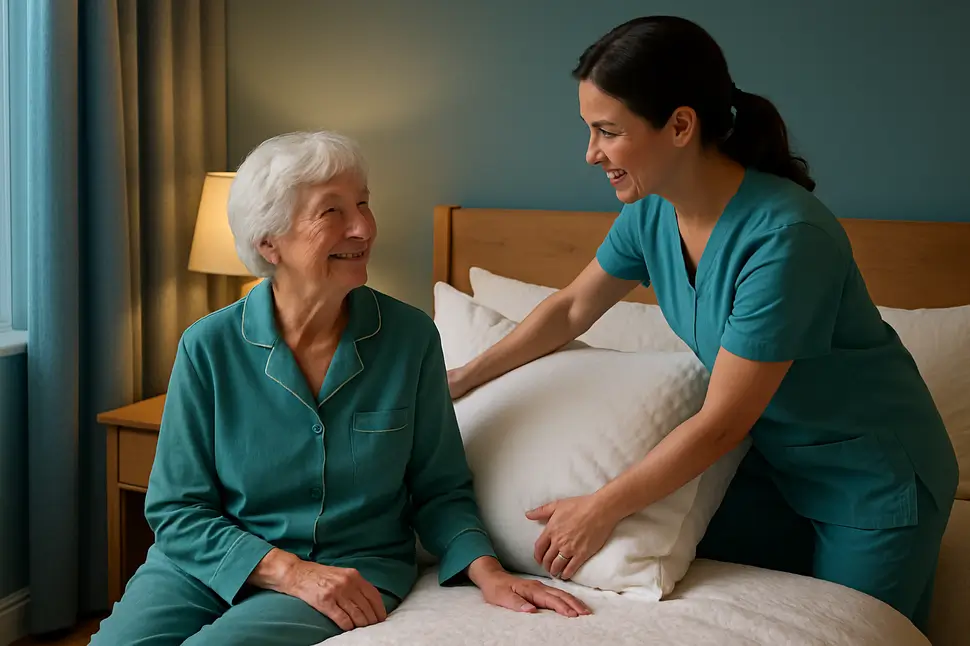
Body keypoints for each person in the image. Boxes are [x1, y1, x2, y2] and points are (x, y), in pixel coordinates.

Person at [447, 16, 957, 634]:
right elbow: (571, 309)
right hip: (769, 469)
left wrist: (600, 509)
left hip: (872, 480)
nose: (591, 152)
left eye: (608, 131)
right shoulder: (651, 213)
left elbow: (721, 422)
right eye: (590, 129)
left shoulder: (786, 239)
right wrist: (465, 377)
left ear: (681, 126)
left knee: (854, 633)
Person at [91, 131, 590, 645]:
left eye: (363, 204)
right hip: (210, 563)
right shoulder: (208, 346)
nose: (363, 228)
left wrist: (490, 573)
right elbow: (177, 509)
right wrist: (287, 570)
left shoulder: (410, 338)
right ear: (269, 242)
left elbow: (439, 488)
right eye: (332, 211)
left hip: (350, 569)